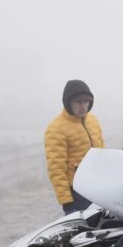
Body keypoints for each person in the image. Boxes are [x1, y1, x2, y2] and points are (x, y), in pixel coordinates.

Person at [45, 79, 104, 213]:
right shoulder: (56, 128)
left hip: (99, 188)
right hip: (77, 193)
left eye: (86, 101)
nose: (83, 106)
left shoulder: (93, 121)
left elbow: (102, 154)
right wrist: (67, 201)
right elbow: (56, 169)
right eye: (78, 101)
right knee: (84, 232)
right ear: (68, 103)